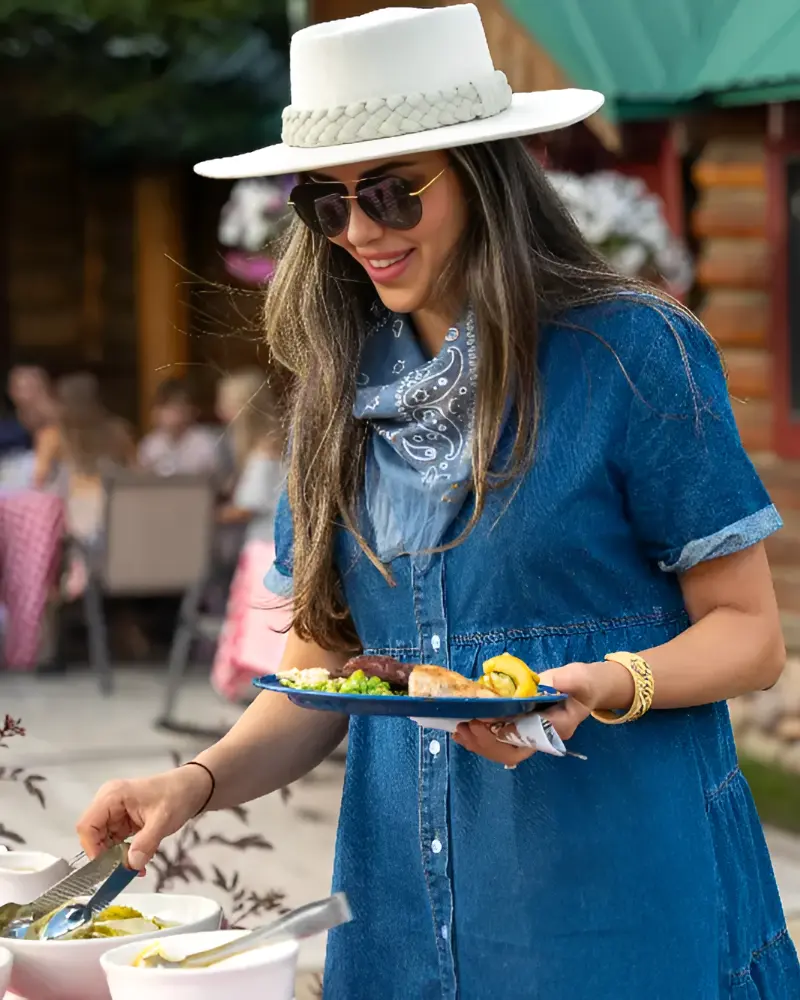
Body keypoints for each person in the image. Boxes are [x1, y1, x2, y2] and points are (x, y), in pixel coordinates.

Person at [76, 7, 800, 999]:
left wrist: (601, 680)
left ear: (482, 172)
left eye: (389, 192)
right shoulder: (330, 397)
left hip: (623, 909)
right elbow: (321, 677)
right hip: (400, 929)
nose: (359, 230)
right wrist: (193, 783)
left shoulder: (631, 354)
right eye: (324, 203)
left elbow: (747, 635)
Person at [211, 368, 289, 700]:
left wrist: (206, 515)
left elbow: (246, 506)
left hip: (265, 546)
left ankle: (250, 676)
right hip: (283, 545)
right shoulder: (281, 438)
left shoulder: (264, 448)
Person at [34, 373, 135, 594]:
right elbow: (136, 476)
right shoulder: (119, 432)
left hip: (75, 523)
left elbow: (38, 484)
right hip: (118, 523)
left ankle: (69, 580)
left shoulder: (53, 437)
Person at [137, 377, 220, 478]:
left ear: (190, 410)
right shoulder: (150, 444)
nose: (171, 413)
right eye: (165, 407)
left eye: (177, 406)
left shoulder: (206, 442)